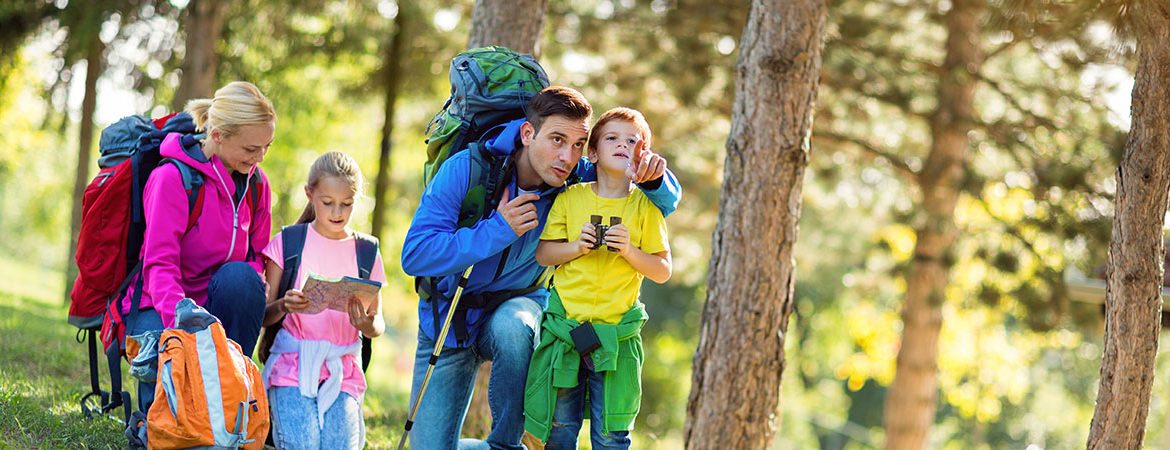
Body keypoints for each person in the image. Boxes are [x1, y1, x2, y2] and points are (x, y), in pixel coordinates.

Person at [400, 86, 682, 450]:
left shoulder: (573, 178)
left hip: (521, 303)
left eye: (579, 144)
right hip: (449, 318)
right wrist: (496, 230)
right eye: (557, 140)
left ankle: (507, 444)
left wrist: (657, 178)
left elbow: (660, 200)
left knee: (515, 327)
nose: (567, 156)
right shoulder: (467, 169)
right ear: (528, 133)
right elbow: (416, 254)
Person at [124, 81, 275, 412]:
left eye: (266, 146)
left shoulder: (257, 186)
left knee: (244, 281)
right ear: (218, 135)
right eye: (251, 149)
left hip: (217, 306)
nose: (260, 157)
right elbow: (159, 265)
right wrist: (184, 321)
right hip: (162, 303)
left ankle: (229, 396)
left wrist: (214, 331)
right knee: (170, 416)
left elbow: (255, 258)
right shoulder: (172, 178)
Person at [525, 107, 671, 449]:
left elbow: (663, 271)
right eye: (612, 138)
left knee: (610, 433)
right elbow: (544, 254)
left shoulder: (646, 208)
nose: (623, 144)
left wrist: (631, 252)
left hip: (616, 339)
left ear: (642, 154)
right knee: (560, 427)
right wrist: (577, 246)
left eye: (633, 140)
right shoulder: (571, 198)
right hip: (567, 331)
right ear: (592, 152)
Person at [260, 151, 387, 450]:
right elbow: (263, 315)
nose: (336, 212)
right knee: (303, 444)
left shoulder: (366, 251)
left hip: (342, 370)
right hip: (291, 366)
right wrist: (283, 306)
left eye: (346, 204)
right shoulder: (288, 242)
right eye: (327, 203)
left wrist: (366, 324)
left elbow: (378, 322)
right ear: (310, 194)